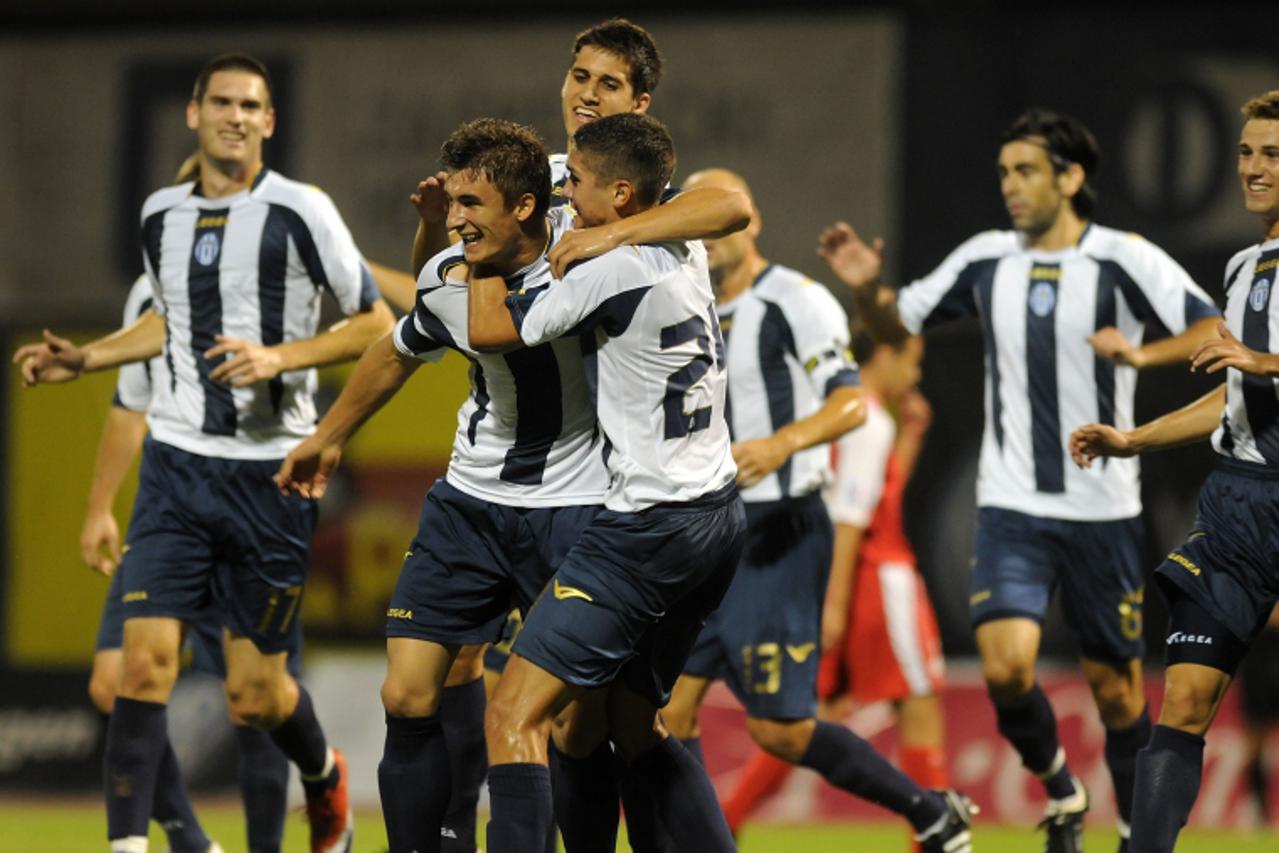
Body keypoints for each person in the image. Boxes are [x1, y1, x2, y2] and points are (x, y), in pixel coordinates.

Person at [275, 117, 750, 853]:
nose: (458, 216)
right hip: (477, 500)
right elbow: (400, 344)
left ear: (533, 206)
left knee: (566, 721)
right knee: (409, 693)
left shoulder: (586, 262)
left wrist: (486, 255)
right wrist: (328, 434)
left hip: (589, 505)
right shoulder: (659, 238)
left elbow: (496, 328)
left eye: (473, 203)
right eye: (452, 201)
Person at [14, 53, 394, 853]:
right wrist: (87, 358)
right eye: (221, 102)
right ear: (193, 114)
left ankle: (323, 773)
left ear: (269, 121)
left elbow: (373, 323)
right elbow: (168, 325)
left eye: (250, 105)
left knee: (257, 697)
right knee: (138, 669)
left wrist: (279, 358)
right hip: (177, 469)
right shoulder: (161, 215)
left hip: (269, 477)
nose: (235, 115)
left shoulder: (302, 209)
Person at [819, 107, 1221, 853]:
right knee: (1004, 668)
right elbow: (893, 325)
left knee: (1117, 692)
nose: (1009, 185)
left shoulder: (1123, 257)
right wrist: (869, 290)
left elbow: (1208, 330)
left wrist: (1140, 358)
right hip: (1010, 505)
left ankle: (1134, 834)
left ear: (1071, 178)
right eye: (1004, 171)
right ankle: (1061, 785)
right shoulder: (985, 259)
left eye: (1026, 170)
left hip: (1102, 508)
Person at [654, 169, 972, 851]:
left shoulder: (795, 301)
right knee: (663, 714)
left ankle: (926, 809)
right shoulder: (684, 310)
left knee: (779, 728)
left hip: (778, 533)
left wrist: (782, 442)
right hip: (704, 536)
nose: (706, 238)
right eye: (694, 223)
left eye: (718, 221)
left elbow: (852, 400)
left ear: (751, 221)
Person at [1068, 89, 1279, 853]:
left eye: (1272, 155)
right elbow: (1232, 397)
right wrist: (1133, 438)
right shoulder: (1244, 264)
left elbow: (1254, 369)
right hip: (1235, 510)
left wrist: (1259, 359)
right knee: (1183, 699)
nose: (1252, 168)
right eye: (1246, 151)